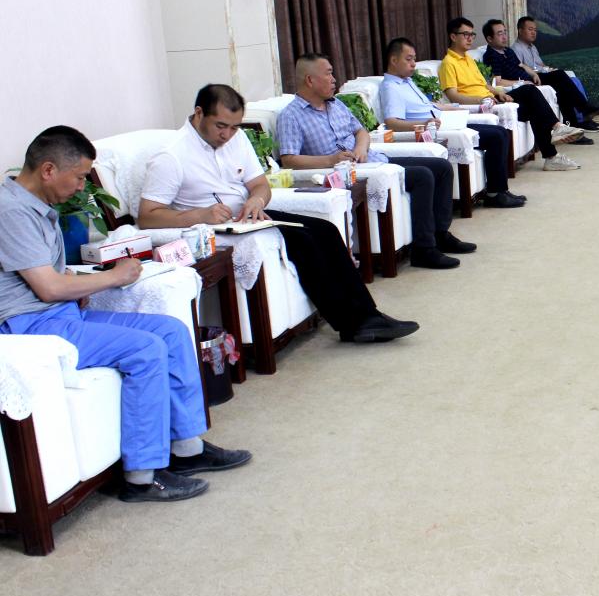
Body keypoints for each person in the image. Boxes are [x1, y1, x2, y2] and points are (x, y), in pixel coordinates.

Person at [0, 126, 251, 503]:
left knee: (170, 330)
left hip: (59, 316)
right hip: (33, 328)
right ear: (48, 169)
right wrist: (113, 277)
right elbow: (47, 288)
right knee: (145, 349)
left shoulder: (35, 206)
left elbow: (45, 278)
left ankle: (187, 450)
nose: (82, 187)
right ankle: (141, 478)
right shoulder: (11, 211)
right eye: (80, 177)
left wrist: (81, 284)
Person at [140, 85, 420, 344]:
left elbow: (260, 185)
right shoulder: (172, 156)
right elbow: (148, 217)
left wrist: (257, 199)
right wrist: (200, 215)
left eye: (234, 127)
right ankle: (354, 324)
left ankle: (369, 314)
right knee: (304, 242)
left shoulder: (236, 139)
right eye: (220, 126)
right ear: (199, 113)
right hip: (212, 229)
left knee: (325, 230)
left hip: (248, 216)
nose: (226, 135)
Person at [276, 54, 476, 269]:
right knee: (422, 176)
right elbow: (288, 160)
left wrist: (360, 148)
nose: (334, 79)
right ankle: (424, 250)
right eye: (328, 74)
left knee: (441, 167)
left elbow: (361, 131)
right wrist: (330, 160)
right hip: (349, 173)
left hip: (373, 160)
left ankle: (440, 234)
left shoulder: (336, 104)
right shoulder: (291, 116)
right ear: (310, 80)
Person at [378, 37, 526, 209]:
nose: (413, 64)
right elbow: (392, 122)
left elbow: (429, 106)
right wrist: (424, 124)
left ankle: (499, 190)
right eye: (408, 59)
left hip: (444, 121)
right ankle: (495, 194)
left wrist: (454, 107)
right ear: (394, 60)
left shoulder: (407, 81)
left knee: (500, 131)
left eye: (414, 59)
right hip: (433, 130)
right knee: (495, 136)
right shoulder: (391, 87)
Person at [439, 17, 586, 172]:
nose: (470, 38)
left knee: (532, 99)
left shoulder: (468, 59)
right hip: (482, 105)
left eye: (472, 34)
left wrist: (498, 92)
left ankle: (552, 155)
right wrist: (481, 99)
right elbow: (453, 96)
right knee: (529, 92)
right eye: (465, 34)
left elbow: (484, 85)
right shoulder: (448, 63)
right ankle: (556, 135)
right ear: (453, 36)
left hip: (493, 98)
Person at [482, 18, 599, 146]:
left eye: (505, 32)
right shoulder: (491, 55)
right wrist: (521, 83)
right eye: (500, 33)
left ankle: (575, 124)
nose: (504, 36)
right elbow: (497, 81)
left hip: (530, 79)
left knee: (561, 79)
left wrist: (533, 74)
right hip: (520, 85)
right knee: (560, 79)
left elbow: (522, 65)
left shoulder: (508, 51)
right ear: (489, 39)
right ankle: (582, 112)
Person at [512, 15, 599, 131]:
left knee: (564, 87)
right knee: (560, 75)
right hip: (532, 78)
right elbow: (521, 69)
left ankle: (574, 122)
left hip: (541, 74)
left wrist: (549, 69)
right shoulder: (516, 49)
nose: (533, 33)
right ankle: (584, 109)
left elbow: (541, 65)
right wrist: (545, 71)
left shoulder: (533, 47)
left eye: (535, 30)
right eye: (530, 29)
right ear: (520, 31)